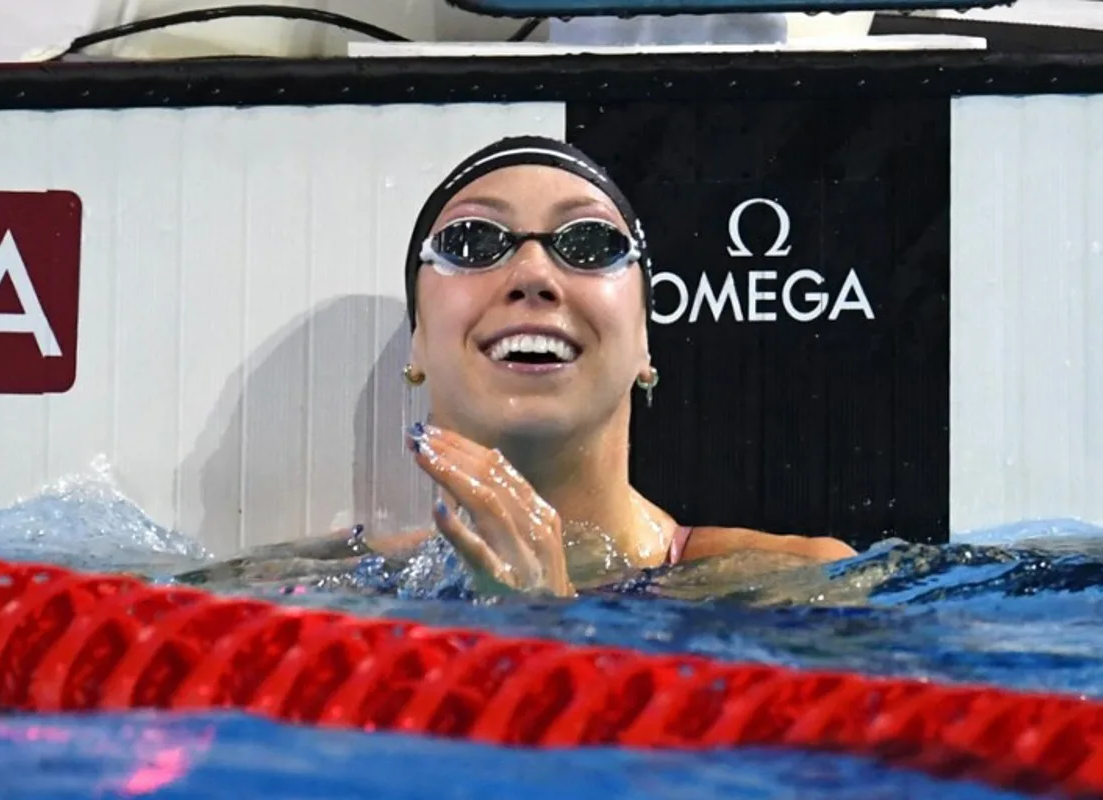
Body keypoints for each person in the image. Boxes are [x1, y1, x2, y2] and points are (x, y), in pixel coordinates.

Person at [353, 135, 856, 599]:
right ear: (416, 342)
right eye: (472, 241)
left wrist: (545, 624)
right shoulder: (334, 587)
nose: (532, 274)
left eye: (590, 242)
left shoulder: (796, 583)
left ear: (644, 342)